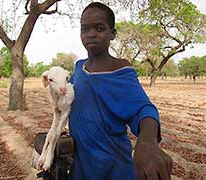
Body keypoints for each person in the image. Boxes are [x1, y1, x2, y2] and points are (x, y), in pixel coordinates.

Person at [68, 2, 173, 180]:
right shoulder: (79, 68)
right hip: (80, 164)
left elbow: (144, 110)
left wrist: (146, 143)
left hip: (112, 167)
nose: (91, 34)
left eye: (99, 28)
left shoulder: (120, 70)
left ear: (112, 34)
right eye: (84, 29)